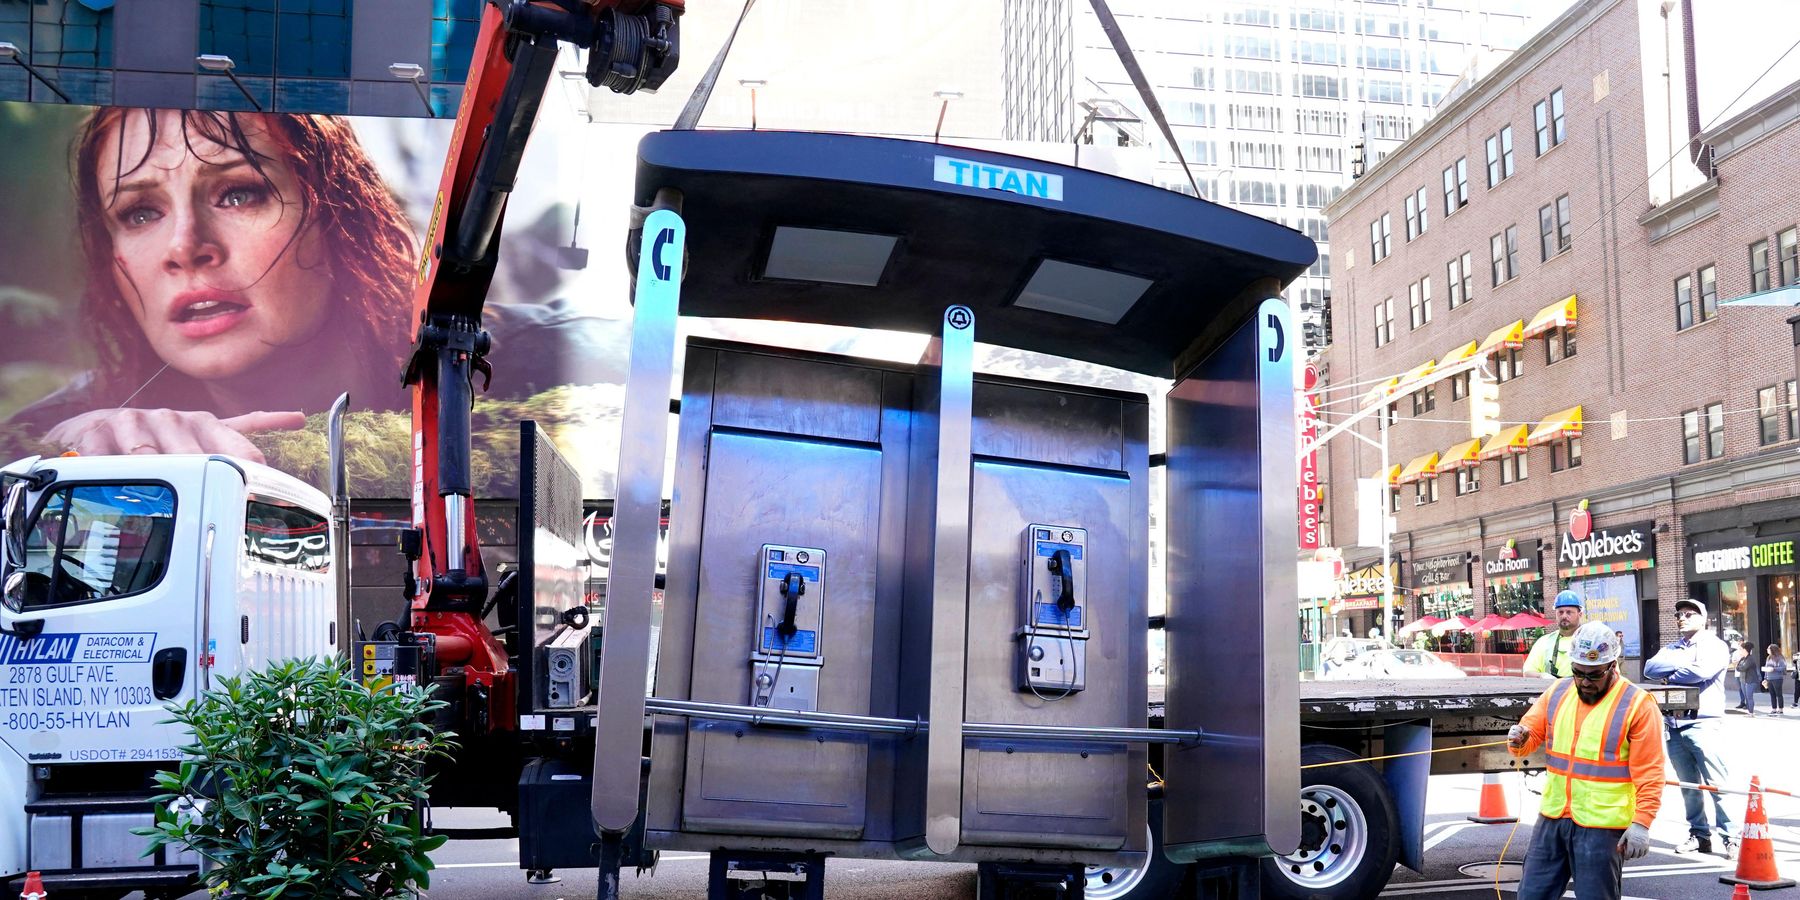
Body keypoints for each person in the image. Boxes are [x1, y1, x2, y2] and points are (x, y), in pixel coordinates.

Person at [9, 108, 417, 462]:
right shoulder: (54, 437)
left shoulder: (469, 373)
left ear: (341, 214)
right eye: (141, 214)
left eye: (239, 194)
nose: (184, 248)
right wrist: (52, 466)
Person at [1508, 622, 1663, 900]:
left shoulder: (1638, 704)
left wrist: (1642, 823)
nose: (1584, 682)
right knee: (1530, 895)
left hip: (1602, 826)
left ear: (1613, 666)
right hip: (1554, 816)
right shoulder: (1557, 692)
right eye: (1577, 673)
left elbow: (1650, 771)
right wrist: (1518, 739)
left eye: (1593, 675)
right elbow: (1527, 738)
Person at [1644, 597, 1735, 856]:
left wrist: (1670, 674)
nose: (1682, 618)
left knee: (1718, 784)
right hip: (1674, 724)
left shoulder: (1714, 645)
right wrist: (1684, 663)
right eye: (1679, 614)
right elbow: (1650, 668)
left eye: (1689, 614)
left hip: (1703, 723)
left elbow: (1701, 672)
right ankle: (1699, 835)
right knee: (1689, 787)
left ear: (1703, 618)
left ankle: (1731, 837)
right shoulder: (1672, 647)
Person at [1523, 590, 1585, 679]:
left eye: (1569, 612)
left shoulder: (1589, 639)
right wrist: (1541, 676)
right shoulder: (1544, 642)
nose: (1564, 616)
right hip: (1552, 691)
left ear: (1580, 614)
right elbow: (1527, 672)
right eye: (1560, 612)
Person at [1734, 640, 1759, 716]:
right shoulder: (1743, 659)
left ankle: (1751, 712)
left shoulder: (1750, 659)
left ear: (1745, 650)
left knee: (1749, 696)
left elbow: (1743, 668)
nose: (1740, 651)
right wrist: (1738, 667)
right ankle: (1749, 711)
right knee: (1746, 696)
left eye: (1742, 649)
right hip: (1743, 680)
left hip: (1750, 680)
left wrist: (1738, 667)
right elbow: (1738, 667)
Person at [1763, 644, 1788, 715]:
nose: (1767, 650)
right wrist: (1765, 678)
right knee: (1772, 694)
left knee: (1779, 694)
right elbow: (1766, 668)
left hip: (1777, 678)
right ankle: (1774, 708)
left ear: (1773, 650)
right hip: (1769, 678)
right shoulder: (1768, 658)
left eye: (1768, 648)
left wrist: (1774, 669)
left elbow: (1782, 668)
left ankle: (1780, 709)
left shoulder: (1780, 658)